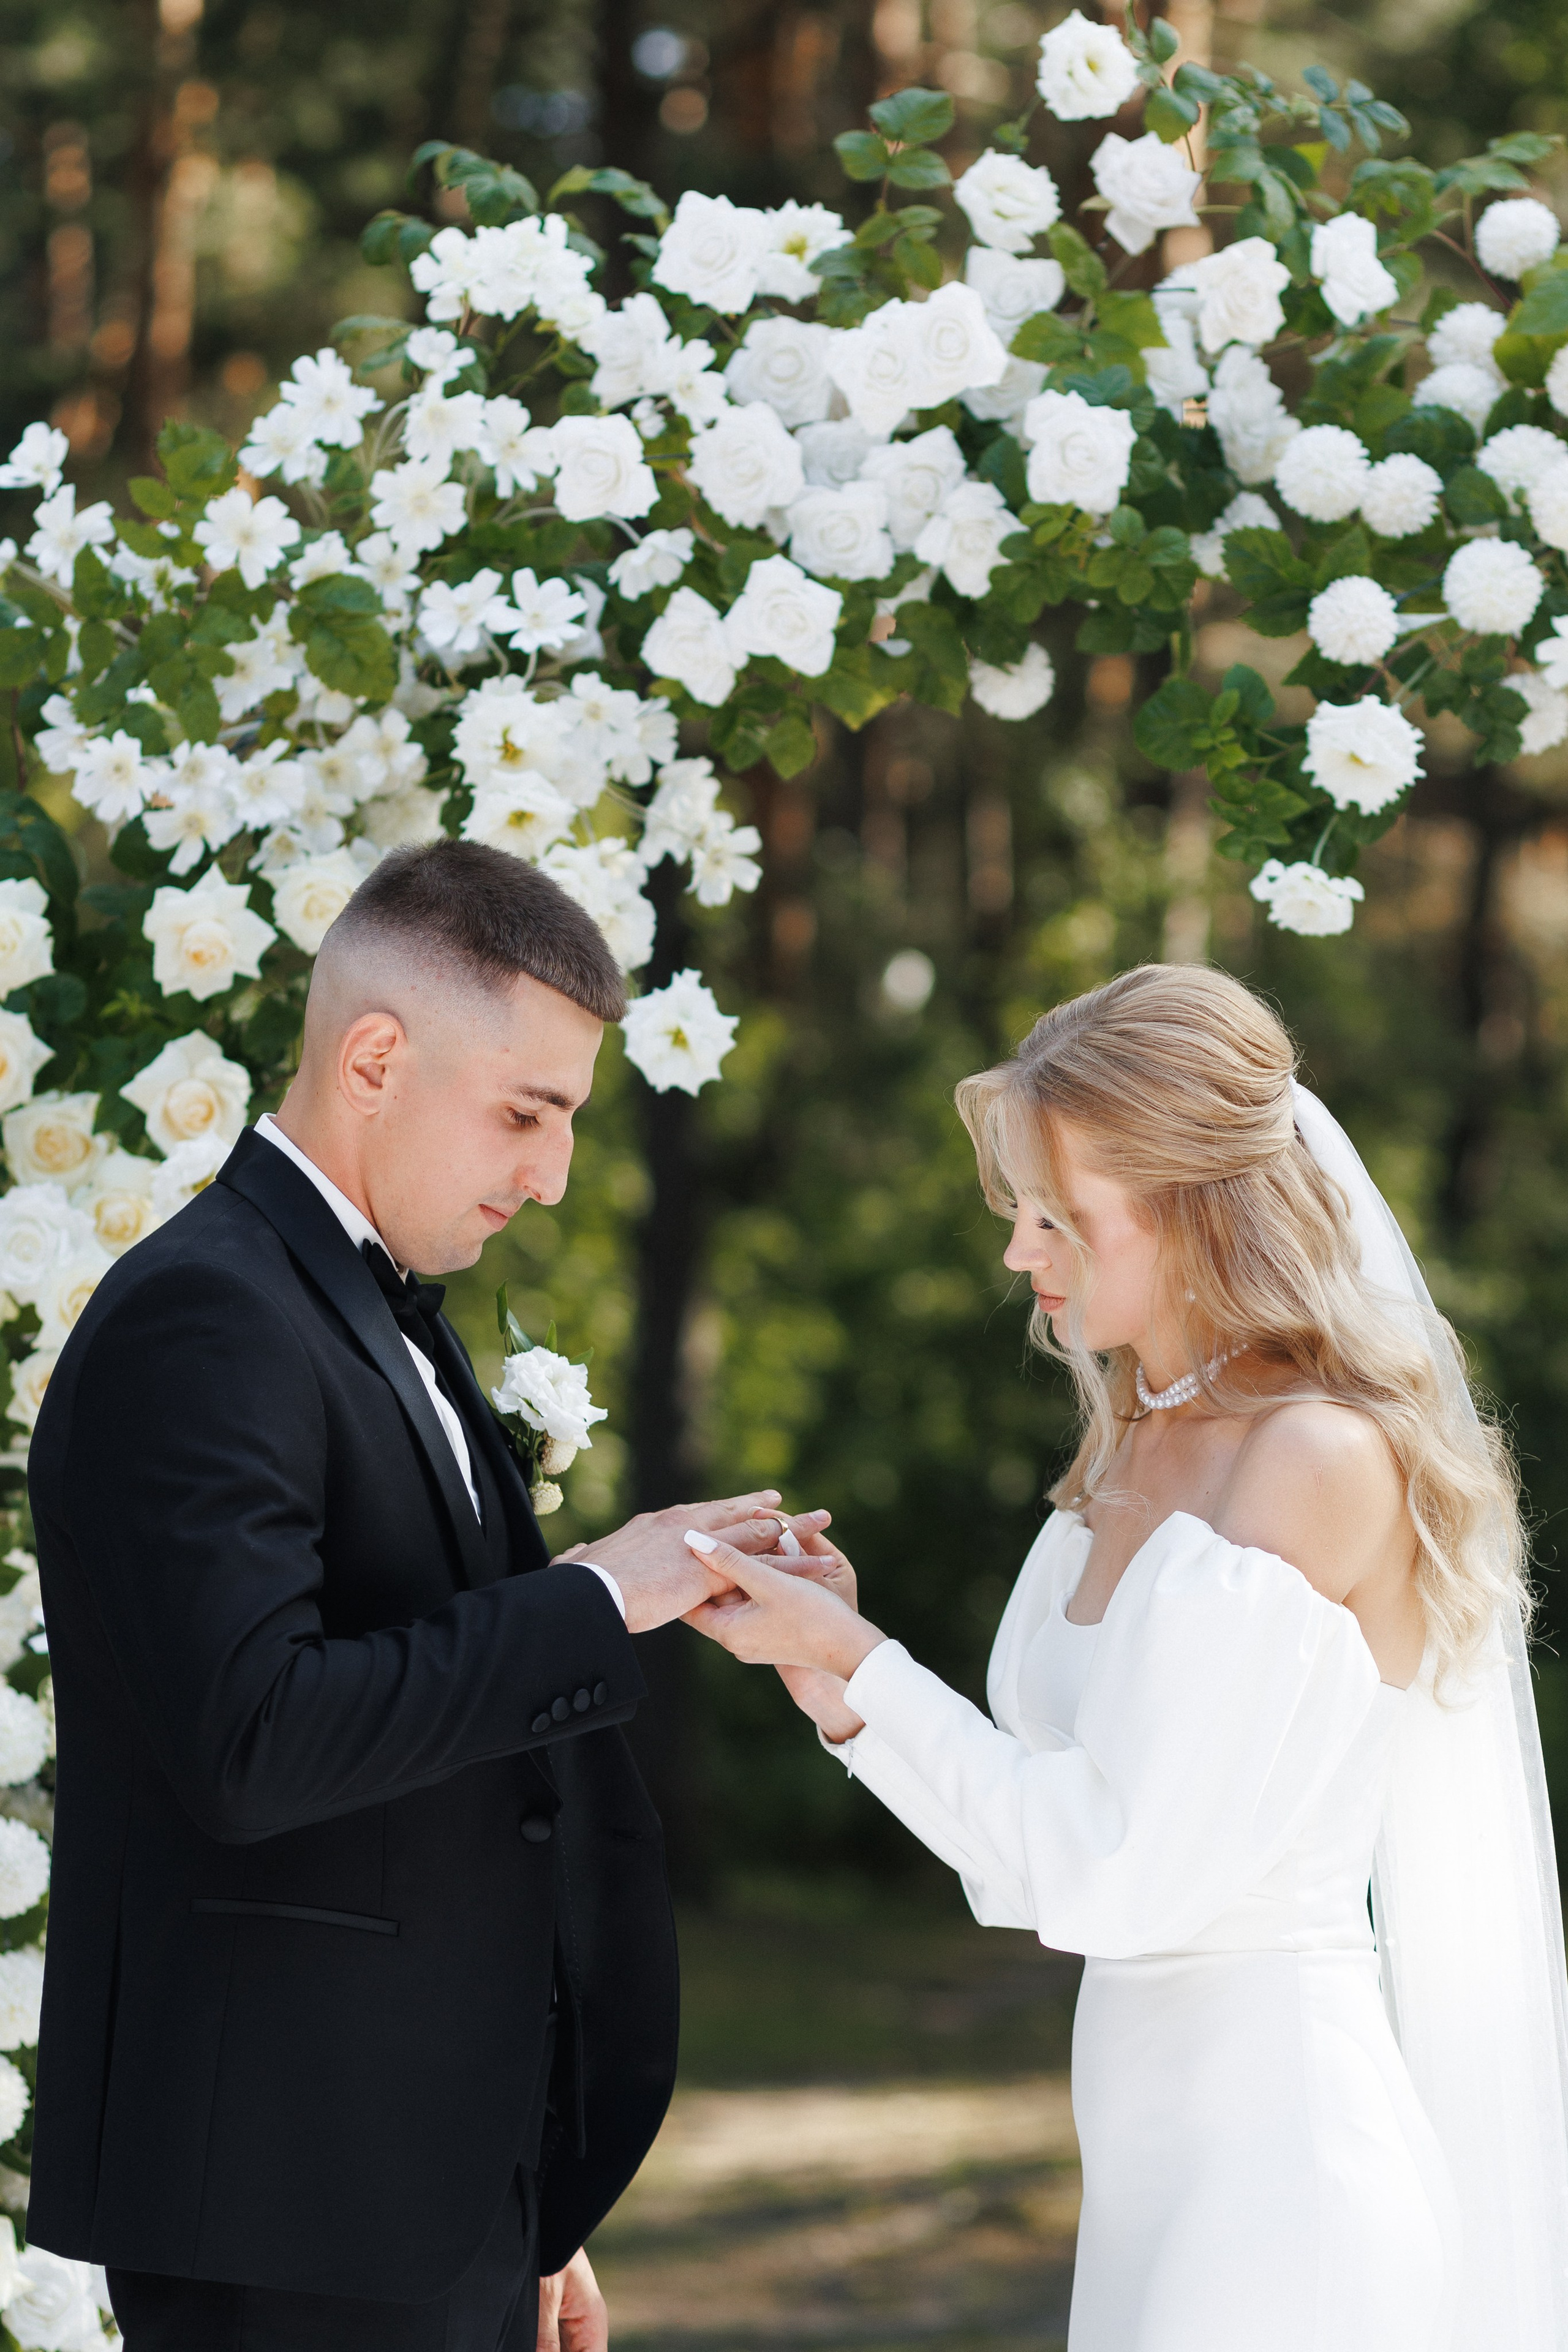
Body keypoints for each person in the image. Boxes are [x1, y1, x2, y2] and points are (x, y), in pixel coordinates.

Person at [682, 964, 1568, 2352]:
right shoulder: (1129, 1451)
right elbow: (1019, 1853)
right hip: (1153, 2177)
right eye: (1020, 1215)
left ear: (1188, 1205)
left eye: (1056, 1218)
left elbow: (1109, 1874)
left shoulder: (1314, 1460)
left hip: (1288, 2187)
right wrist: (832, 1682)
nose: (1020, 1256)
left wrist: (865, 1664)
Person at [24, 839, 824, 2352]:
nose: (552, 1175)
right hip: (284, 2209)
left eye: (568, 1124)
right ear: (375, 1057)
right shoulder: (208, 1314)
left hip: (414, 2202)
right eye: (527, 1114)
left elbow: (447, 1795)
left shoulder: (367, 1304)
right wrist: (595, 1600)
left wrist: (514, 2199)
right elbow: (255, 1738)